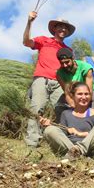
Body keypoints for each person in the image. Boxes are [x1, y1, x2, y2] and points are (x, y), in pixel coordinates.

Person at [22, 11, 76, 147]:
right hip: (41, 79)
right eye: (60, 27)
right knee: (36, 110)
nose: (63, 29)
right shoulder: (44, 40)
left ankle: (63, 144)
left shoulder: (68, 49)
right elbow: (26, 42)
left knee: (64, 111)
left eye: (66, 28)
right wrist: (29, 22)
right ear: (55, 29)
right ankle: (32, 143)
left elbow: (70, 69)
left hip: (60, 83)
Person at [39, 82, 94, 160]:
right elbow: (61, 135)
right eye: (80, 94)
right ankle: (75, 153)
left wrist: (80, 134)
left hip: (88, 148)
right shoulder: (66, 114)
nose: (84, 97)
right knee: (49, 130)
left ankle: (79, 151)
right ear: (73, 96)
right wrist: (49, 125)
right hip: (68, 147)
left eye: (86, 94)